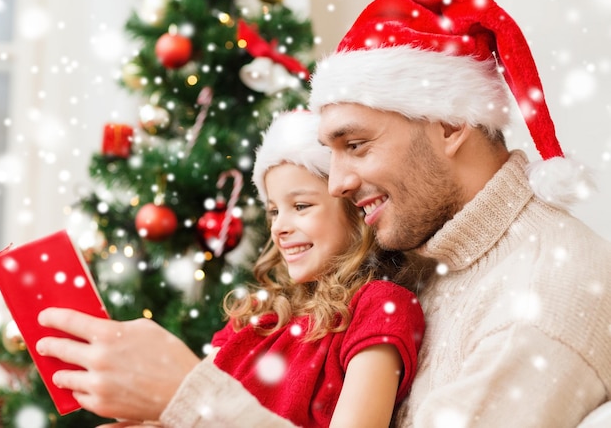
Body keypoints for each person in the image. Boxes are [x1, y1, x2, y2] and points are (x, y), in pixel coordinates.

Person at [36, 0, 611, 426]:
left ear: (451, 123)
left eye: (355, 144)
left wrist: (191, 399)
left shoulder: (544, 296)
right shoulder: (418, 255)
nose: (335, 182)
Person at [36, 111, 427, 427]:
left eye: (301, 206)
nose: (280, 226)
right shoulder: (257, 320)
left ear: (355, 213)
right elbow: (189, 408)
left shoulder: (381, 306)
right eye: (274, 211)